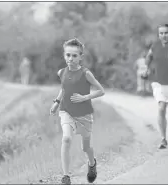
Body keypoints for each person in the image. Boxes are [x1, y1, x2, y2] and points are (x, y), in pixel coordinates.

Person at [50, 38, 105, 184]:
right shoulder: (61, 72)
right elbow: (64, 88)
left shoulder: (86, 73)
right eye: (68, 55)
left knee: (85, 147)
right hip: (66, 111)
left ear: (80, 57)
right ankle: (66, 176)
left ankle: (92, 164)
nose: (71, 58)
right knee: (66, 138)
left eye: (74, 56)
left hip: (84, 115)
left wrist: (84, 97)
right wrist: (56, 102)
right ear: (64, 55)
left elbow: (101, 91)